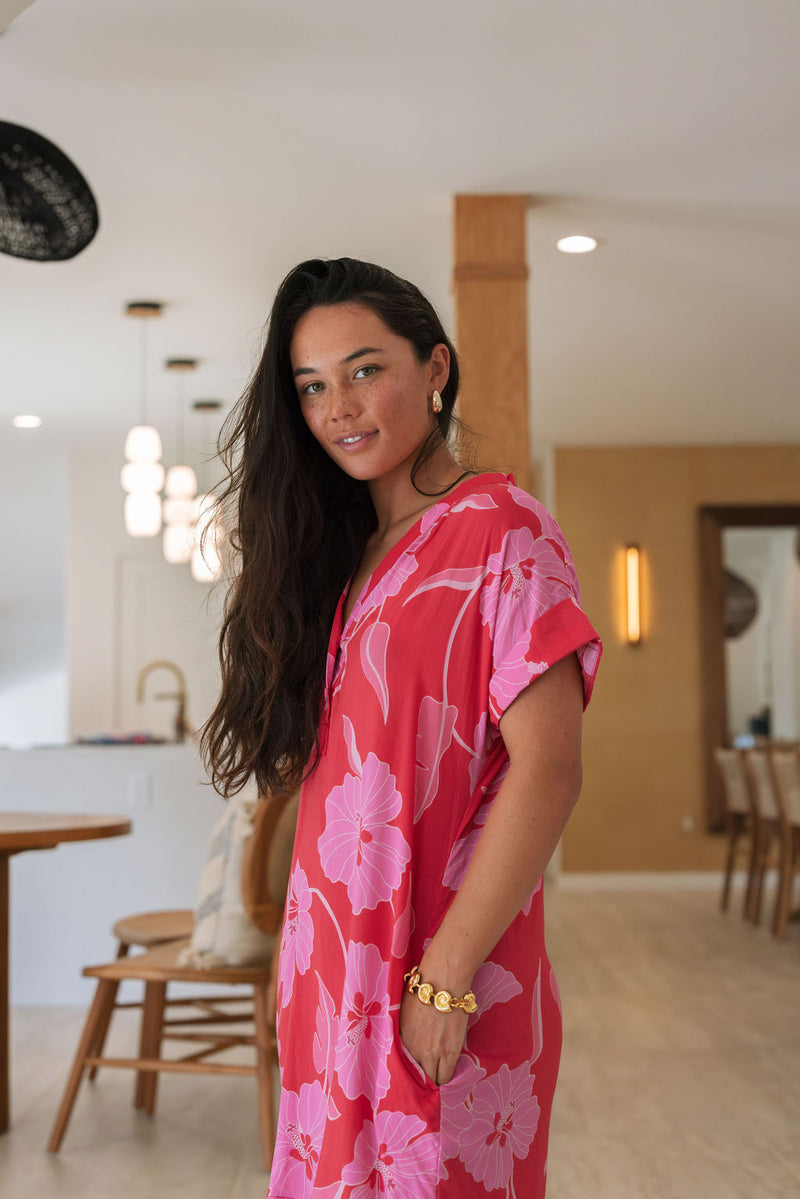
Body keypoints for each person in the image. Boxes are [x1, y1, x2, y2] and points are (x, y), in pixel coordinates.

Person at [202, 257, 601, 1198]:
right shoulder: (352, 560)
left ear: (436, 367)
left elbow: (548, 770)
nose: (338, 404)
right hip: (331, 974)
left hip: (445, 974)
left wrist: (445, 976)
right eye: (311, 385)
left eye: (364, 369)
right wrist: (296, 961)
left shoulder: (504, 527)